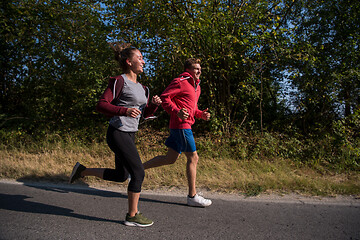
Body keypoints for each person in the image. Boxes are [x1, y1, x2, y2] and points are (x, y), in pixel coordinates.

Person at [69, 43, 162, 227]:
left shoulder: (143, 88)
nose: (143, 61)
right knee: (138, 173)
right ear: (129, 62)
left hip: (130, 133)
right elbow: (101, 105)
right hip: (117, 132)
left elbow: (143, 115)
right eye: (140, 58)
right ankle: (132, 215)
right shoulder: (119, 81)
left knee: (121, 175)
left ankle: (82, 171)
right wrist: (124, 111)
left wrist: (153, 104)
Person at [143, 58, 212, 207]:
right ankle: (192, 196)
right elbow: (164, 97)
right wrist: (176, 112)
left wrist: (201, 114)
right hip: (181, 125)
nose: (199, 71)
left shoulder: (197, 86)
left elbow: (192, 108)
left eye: (200, 68)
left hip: (183, 125)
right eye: (196, 68)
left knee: (170, 158)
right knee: (193, 158)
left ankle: (136, 170)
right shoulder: (181, 81)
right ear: (188, 70)